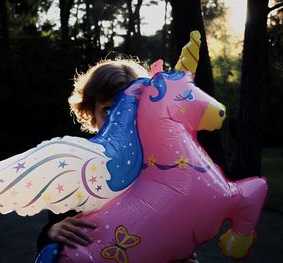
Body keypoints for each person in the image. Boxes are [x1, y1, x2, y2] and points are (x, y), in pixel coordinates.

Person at [36, 58, 198, 263]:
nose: (119, 120)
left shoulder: (158, 163)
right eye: (108, 110)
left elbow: (179, 219)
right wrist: (53, 230)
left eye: (129, 109)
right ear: (90, 113)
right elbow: (54, 229)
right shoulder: (75, 168)